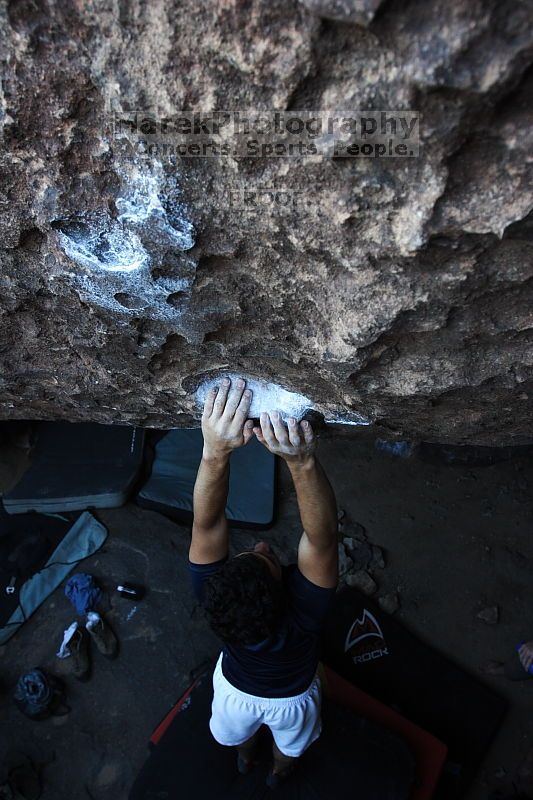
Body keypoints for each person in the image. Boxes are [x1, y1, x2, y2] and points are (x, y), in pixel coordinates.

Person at [188, 376, 338, 787]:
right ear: (285, 594)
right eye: (268, 559)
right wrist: (301, 461)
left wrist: (214, 452)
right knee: (291, 746)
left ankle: (244, 758)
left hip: (235, 691)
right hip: (292, 700)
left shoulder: (215, 597)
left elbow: (207, 522)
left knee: (237, 735)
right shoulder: (304, 616)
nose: (261, 546)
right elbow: (322, 539)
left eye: (252, 553)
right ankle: (279, 771)